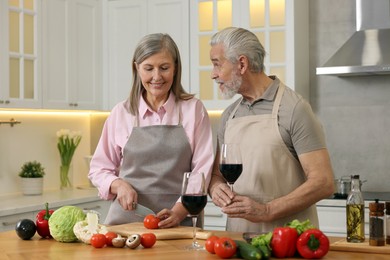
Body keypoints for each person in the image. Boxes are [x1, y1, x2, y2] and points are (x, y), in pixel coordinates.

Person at [207, 27, 335, 233]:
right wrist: (215, 188)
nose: (213, 75)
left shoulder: (294, 108)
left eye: (216, 64)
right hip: (238, 240)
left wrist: (267, 210)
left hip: (290, 241)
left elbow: (324, 182)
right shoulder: (229, 116)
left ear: (241, 64)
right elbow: (216, 175)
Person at [89, 33, 214, 228]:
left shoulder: (193, 110)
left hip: (180, 221)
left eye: (164, 68)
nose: (157, 77)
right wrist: (119, 185)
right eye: (149, 68)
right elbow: (99, 169)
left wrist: (180, 211)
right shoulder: (121, 113)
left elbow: (202, 170)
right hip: (127, 221)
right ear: (136, 68)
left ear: (175, 68)